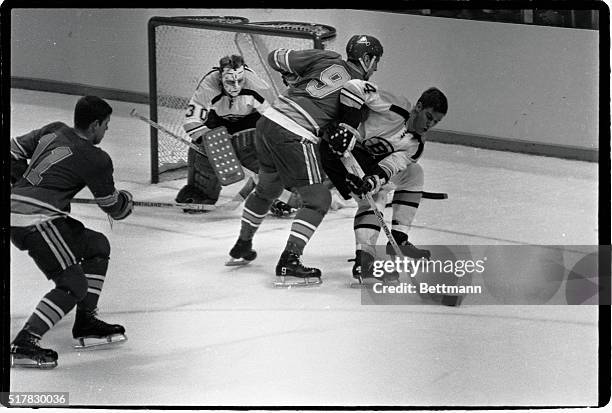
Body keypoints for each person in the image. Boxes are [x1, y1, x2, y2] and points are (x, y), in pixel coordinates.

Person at [226, 35, 384, 286]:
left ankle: (243, 243)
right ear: (367, 59)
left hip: (268, 122)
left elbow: (275, 57)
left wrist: (293, 78)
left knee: (267, 189)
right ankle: (289, 261)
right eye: (376, 62)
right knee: (319, 200)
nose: (375, 69)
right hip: (294, 133)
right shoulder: (360, 89)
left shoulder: (326, 57)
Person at [9, 96, 133, 369]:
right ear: (95, 125)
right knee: (73, 284)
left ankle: (86, 321)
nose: (106, 131)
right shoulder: (96, 158)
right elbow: (112, 207)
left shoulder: (53, 129)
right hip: (36, 220)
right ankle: (25, 341)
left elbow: (11, 150)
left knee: (97, 245)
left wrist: (21, 182)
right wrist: (126, 201)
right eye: (106, 125)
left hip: (26, 213)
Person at [320, 79, 448, 284]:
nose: (429, 125)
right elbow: (354, 86)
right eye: (429, 117)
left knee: (413, 174)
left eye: (435, 122)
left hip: (365, 161)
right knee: (374, 198)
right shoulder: (394, 106)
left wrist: (374, 179)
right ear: (419, 107)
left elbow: (391, 166)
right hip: (336, 151)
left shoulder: (416, 144)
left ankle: (398, 238)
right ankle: (365, 261)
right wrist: (347, 125)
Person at [176, 54, 297, 216]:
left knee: (265, 154)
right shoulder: (208, 86)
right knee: (203, 153)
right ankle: (201, 191)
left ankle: (277, 195)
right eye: (230, 82)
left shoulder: (258, 87)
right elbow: (191, 121)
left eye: (239, 81)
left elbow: (274, 123)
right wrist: (212, 142)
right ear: (220, 77)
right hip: (217, 120)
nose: (235, 86)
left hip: (250, 120)